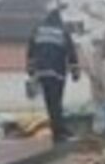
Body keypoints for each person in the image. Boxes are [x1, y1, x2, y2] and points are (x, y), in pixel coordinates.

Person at [26, 9, 79, 143]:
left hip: (42, 72)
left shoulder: (38, 30)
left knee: (50, 102)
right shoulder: (62, 31)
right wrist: (75, 72)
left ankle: (59, 130)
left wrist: (31, 69)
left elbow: (31, 50)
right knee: (56, 102)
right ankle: (59, 132)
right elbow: (71, 51)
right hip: (57, 72)